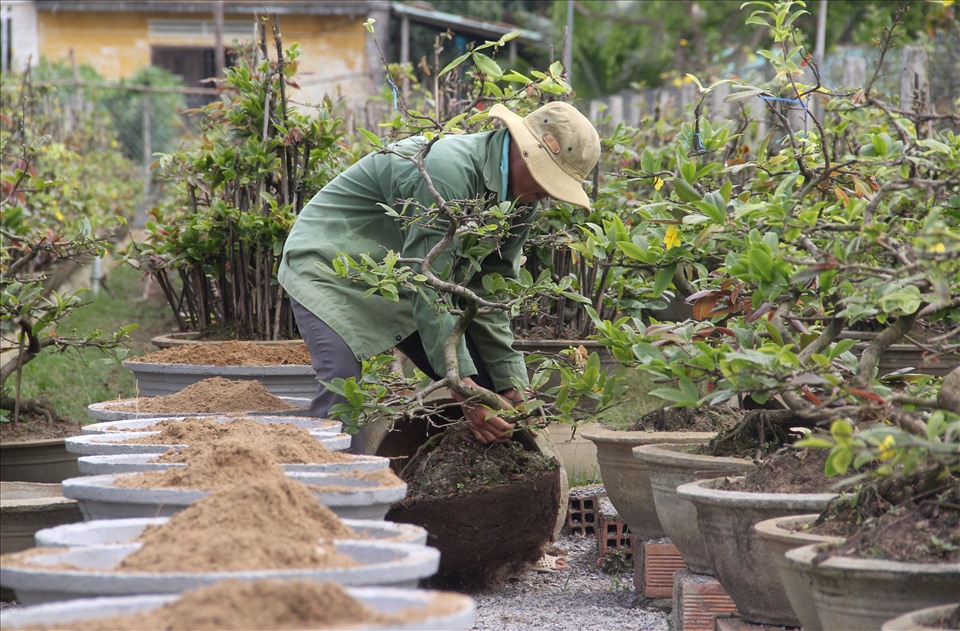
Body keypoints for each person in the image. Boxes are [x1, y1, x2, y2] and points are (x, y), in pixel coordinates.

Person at [278, 101, 601, 447]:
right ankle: (331, 493)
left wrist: (510, 383)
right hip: (330, 264)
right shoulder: (449, 169)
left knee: (491, 392)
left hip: (402, 279)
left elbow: (489, 290)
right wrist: (462, 387)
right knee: (343, 390)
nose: (550, 193)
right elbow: (428, 285)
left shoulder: (522, 202)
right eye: (549, 179)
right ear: (524, 150)